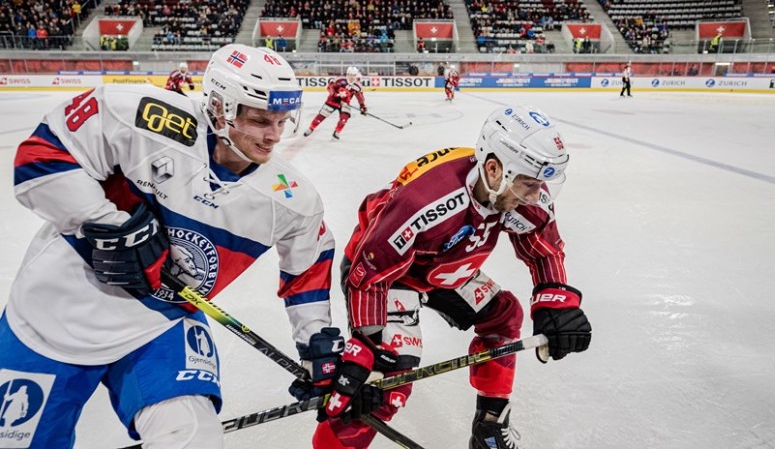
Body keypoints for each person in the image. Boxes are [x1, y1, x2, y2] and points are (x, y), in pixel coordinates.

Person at [0, 44, 344, 448]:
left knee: (193, 439)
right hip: (54, 312)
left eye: (282, 121)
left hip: (161, 324)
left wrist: (316, 341)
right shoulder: (143, 116)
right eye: (260, 120)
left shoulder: (291, 199)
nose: (274, 136)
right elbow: (40, 157)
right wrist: (110, 225)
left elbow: (307, 268)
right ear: (219, 107)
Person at [313, 106, 592, 449]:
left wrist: (555, 301)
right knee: (386, 382)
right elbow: (370, 272)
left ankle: (489, 427)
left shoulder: (517, 193)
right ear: (494, 168)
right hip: (388, 273)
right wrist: (367, 345)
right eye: (529, 185)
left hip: (444, 267)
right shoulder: (426, 199)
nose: (536, 196)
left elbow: (543, 249)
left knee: (504, 314)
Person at [303, 66, 367, 140]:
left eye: (354, 75)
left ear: (356, 75)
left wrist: (363, 107)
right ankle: (311, 128)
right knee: (322, 115)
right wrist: (336, 94)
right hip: (332, 101)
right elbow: (330, 87)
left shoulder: (357, 86)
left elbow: (360, 97)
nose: (351, 77)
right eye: (350, 74)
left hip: (344, 103)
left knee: (344, 117)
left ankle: (337, 132)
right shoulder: (340, 80)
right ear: (347, 74)